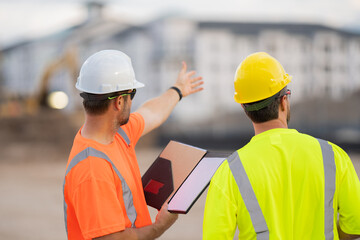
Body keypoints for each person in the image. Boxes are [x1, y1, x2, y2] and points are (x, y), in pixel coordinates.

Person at [202, 52, 360, 240]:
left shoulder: (230, 171)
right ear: (284, 101)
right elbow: (354, 226)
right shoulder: (332, 156)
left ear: (244, 108)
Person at [63, 49, 203, 240]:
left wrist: (177, 90)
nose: (133, 101)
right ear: (119, 101)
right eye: (132, 94)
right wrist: (160, 226)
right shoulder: (92, 168)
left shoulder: (118, 133)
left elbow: (151, 112)